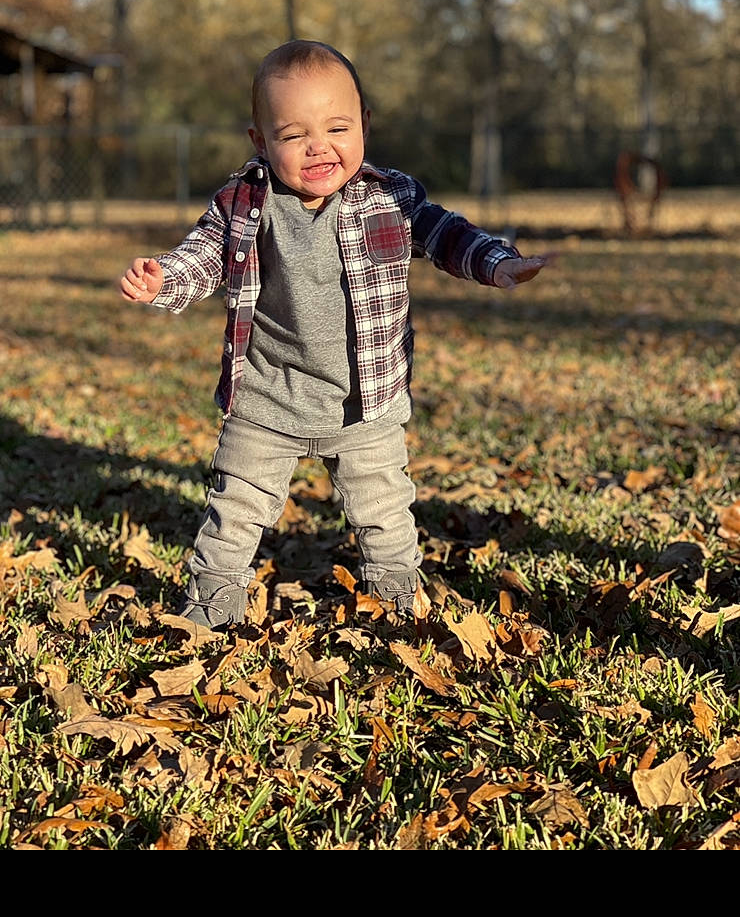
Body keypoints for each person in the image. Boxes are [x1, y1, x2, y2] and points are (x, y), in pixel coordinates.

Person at [119, 40, 550, 631]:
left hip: (365, 403)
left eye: (337, 128)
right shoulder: (244, 204)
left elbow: (448, 235)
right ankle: (213, 603)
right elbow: (205, 256)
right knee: (234, 509)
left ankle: (395, 598)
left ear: (364, 124)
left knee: (384, 510)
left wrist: (497, 263)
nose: (318, 146)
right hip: (266, 401)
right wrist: (163, 279)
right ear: (261, 141)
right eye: (293, 135)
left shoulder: (390, 197)